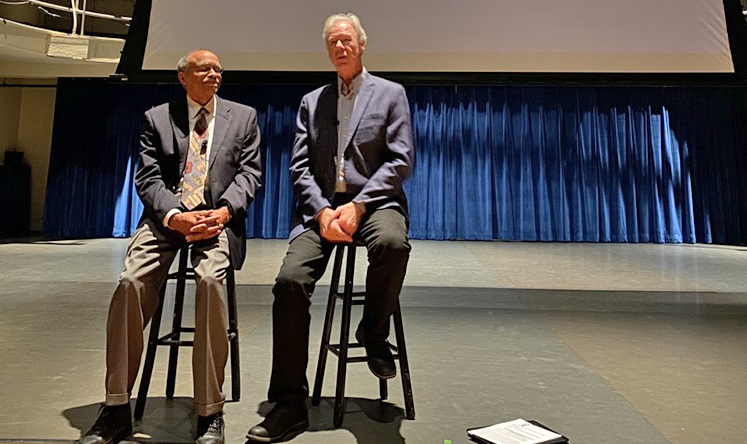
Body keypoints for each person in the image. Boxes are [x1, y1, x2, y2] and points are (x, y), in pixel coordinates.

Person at [245, 13, 414, 443]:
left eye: (347, 40)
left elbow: (400, 160)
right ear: (328, 49)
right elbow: (299, 167)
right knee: (288, 281)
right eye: (333, 42)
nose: (340, 47)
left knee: (394, 244)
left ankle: (373, 332)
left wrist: (358, 206)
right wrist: (323, 212)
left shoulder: (391, 94)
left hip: (374, 204)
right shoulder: (312, 101)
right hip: (321, 210)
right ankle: (289, 403)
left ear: (361, 44)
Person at [79, 49, 262, 444]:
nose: (214, 75)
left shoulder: (243, 117)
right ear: (183, 77)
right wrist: (175, 215)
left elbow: (250, 174)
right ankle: (115, 408)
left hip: (216, 222)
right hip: (167, 223)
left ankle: (210, 412)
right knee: (130, 283)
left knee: (211, 283)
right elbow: (148, 181)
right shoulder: (157, 118)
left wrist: (225, 212)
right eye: (205, 69)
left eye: (218, 69)